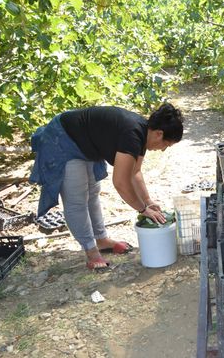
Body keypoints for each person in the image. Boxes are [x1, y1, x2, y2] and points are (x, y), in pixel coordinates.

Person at [29, 103, 183, 270]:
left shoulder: (142, 134)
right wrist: (142, 209)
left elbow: (134, 172)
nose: (163, 150)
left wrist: (148, 201)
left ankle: (101, 240)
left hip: (85, 142)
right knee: (77, 198)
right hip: (64, 137)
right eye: (166, 145)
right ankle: (91, 251)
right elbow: (121, 182)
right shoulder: (133, 134)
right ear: (159, 134)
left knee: (92, 192)